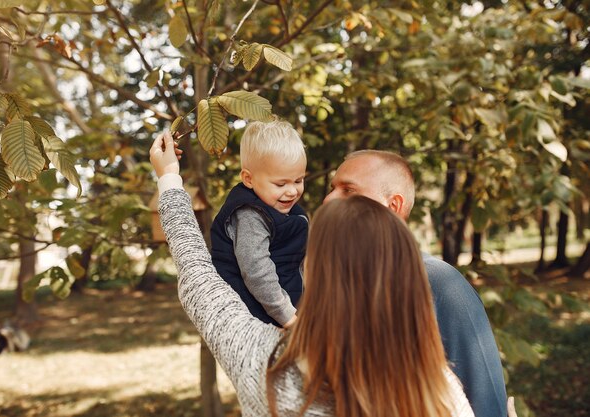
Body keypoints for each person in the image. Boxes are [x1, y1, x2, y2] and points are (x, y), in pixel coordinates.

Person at [150, 131, 475, 417]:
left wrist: (168, 177)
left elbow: (195, 269)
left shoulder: (267, 366)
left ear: (317, 270)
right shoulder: (439, 390)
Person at [324, 150, 508, 417]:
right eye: (332, 189)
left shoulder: (441, 285)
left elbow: (486, 405)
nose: (329, 199)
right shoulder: (326, 286)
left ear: (393, 206)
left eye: (348, 190)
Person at [210, 120, 307, 328]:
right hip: (255, 311)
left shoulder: (285, 209)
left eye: (298, 181)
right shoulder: (249, 215)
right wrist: (288, 317)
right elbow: (256, 271)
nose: (292, 191)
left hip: (285, 304)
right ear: (249, 179)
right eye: (281, 184)